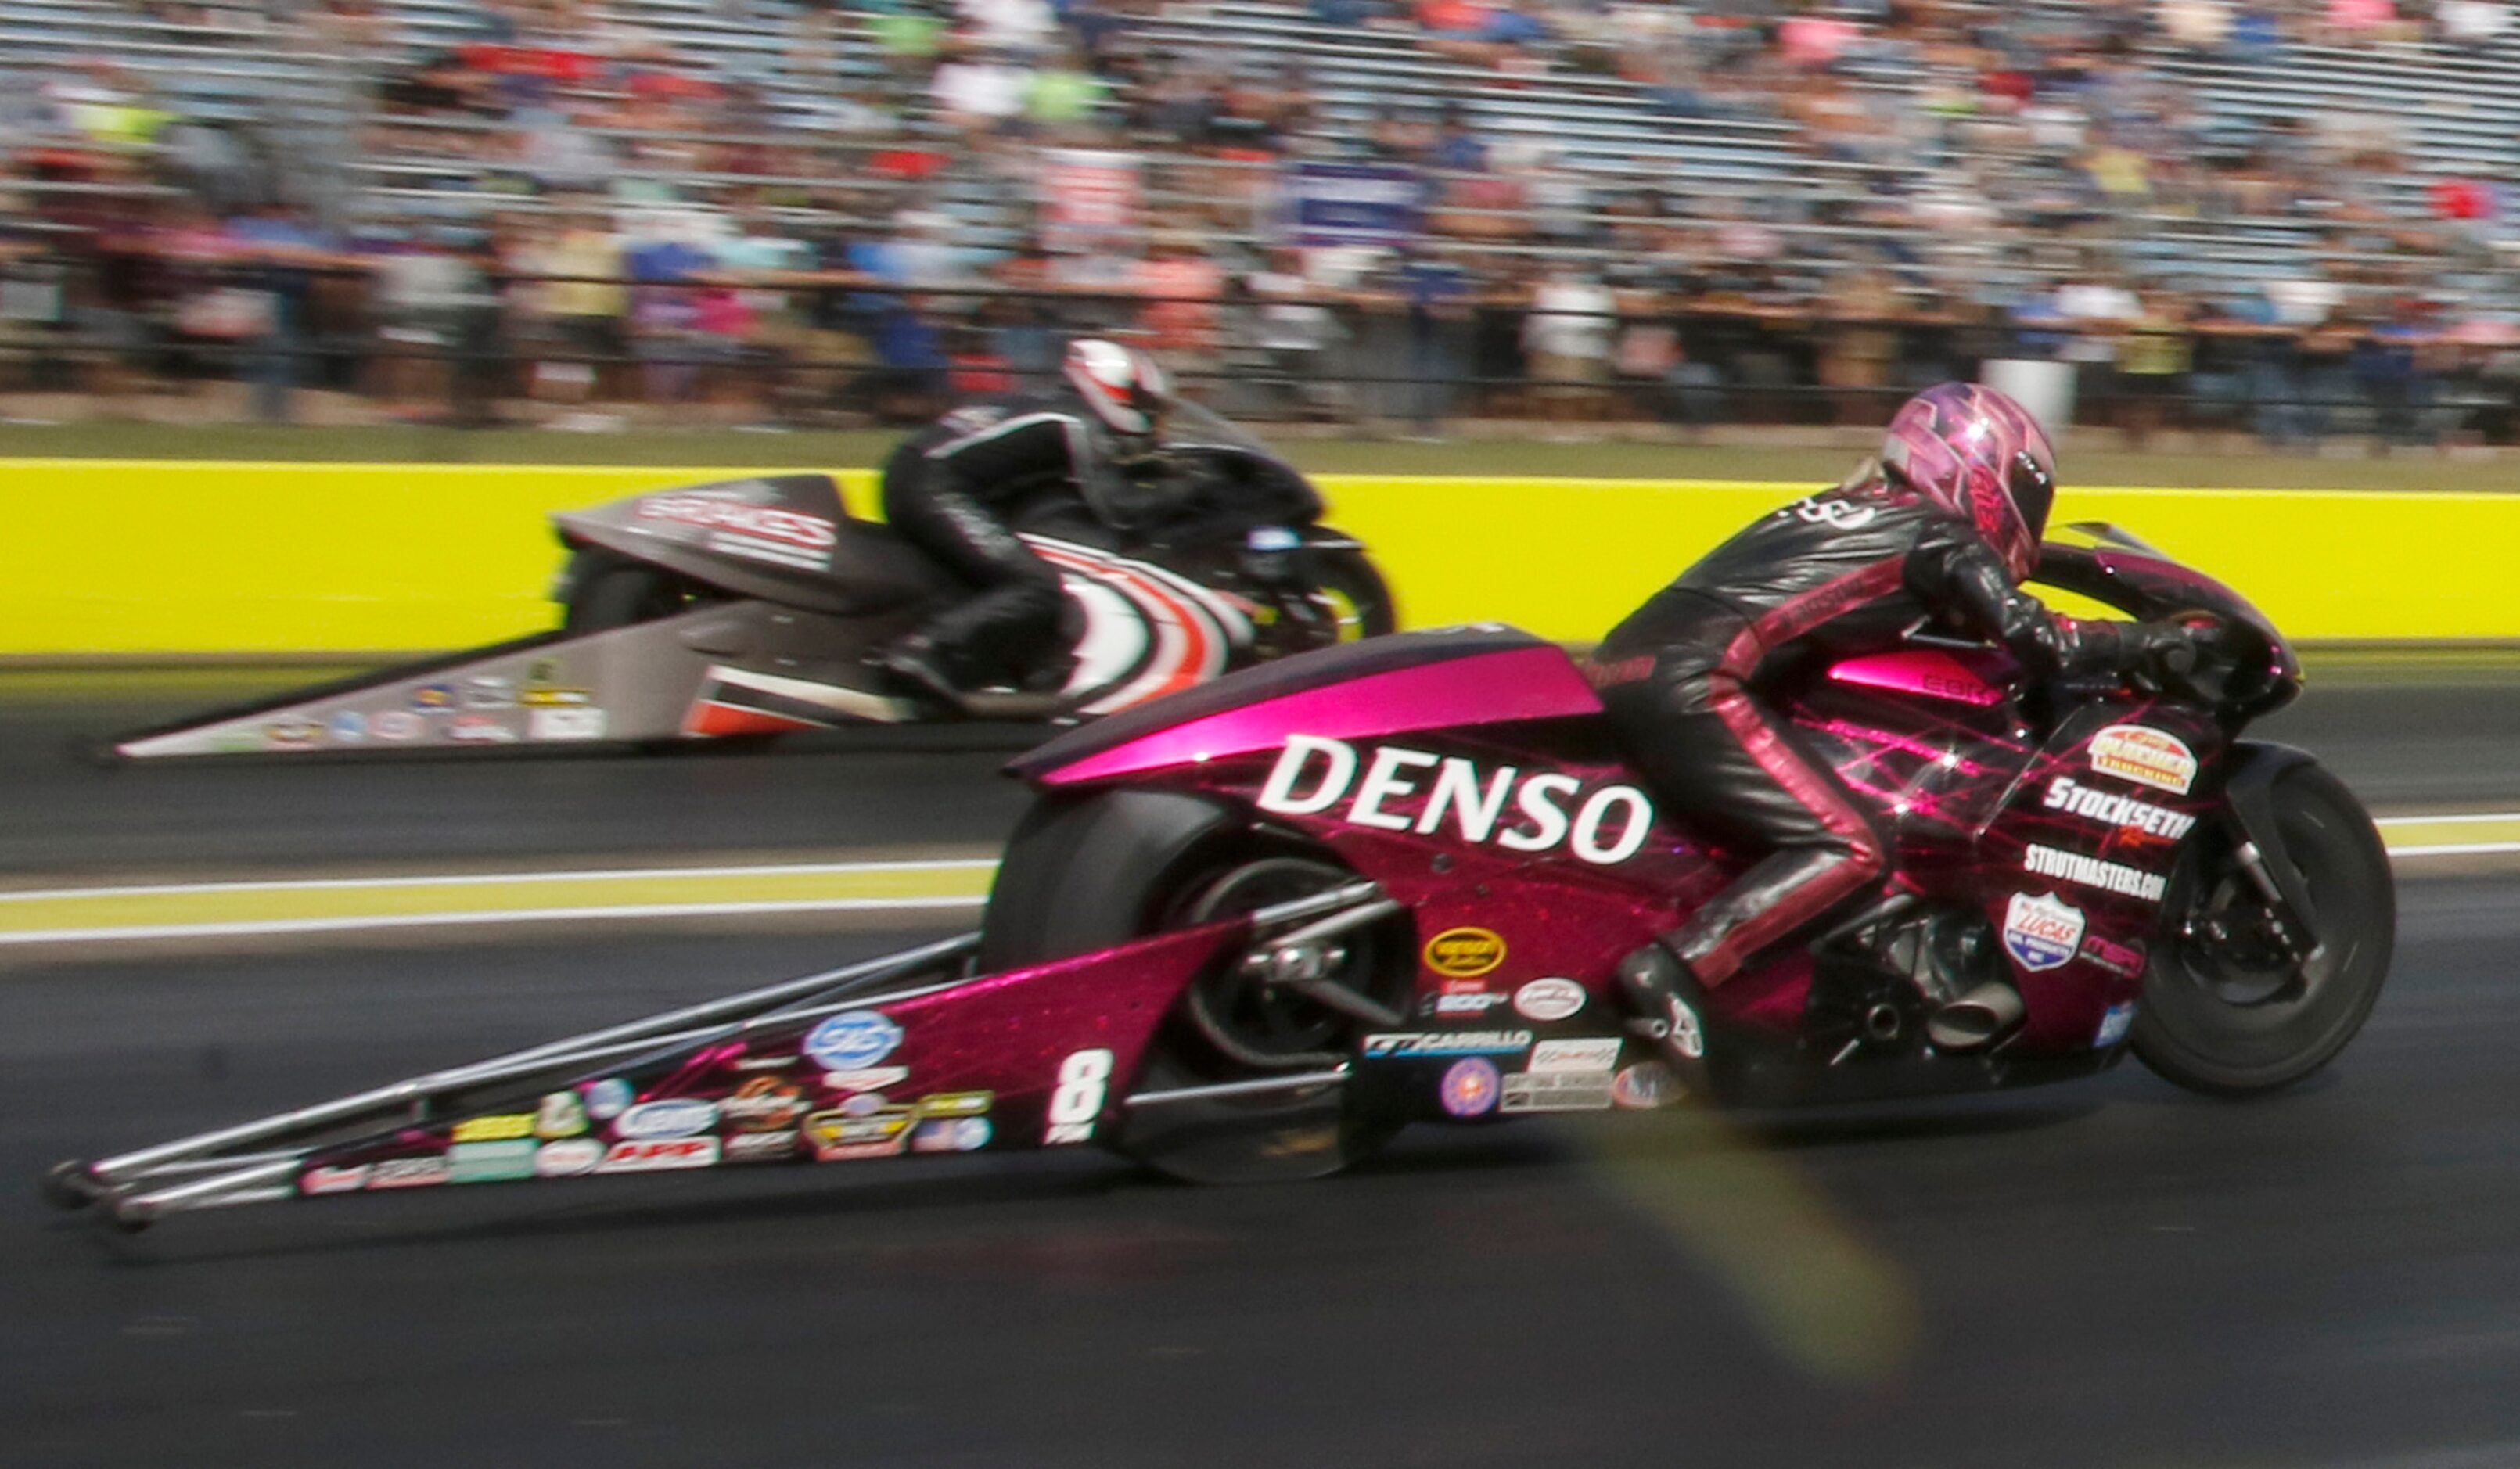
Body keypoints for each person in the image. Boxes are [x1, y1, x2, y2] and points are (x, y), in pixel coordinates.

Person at [1591, 383, 2201, 1076]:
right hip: (1701, 679)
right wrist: (2140, 645)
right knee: (1852, 845)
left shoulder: (1840, 506)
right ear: (1980, 471)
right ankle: (1674, 973)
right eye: (2028, 497)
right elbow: (2037, 639)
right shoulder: (1938, 534)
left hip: (1628, 662)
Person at [877, 337, 1180, 699]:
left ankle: (997, 666)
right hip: (931, 484)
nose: (1154, 421)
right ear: (1115, 388)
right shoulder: (1076, 421)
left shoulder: (1052, 406)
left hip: (919, 473)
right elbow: (1121, 509)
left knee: (1001, 574)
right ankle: (921, 650)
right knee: (1038, 587)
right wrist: (1190, 486)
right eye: (1146, 404)